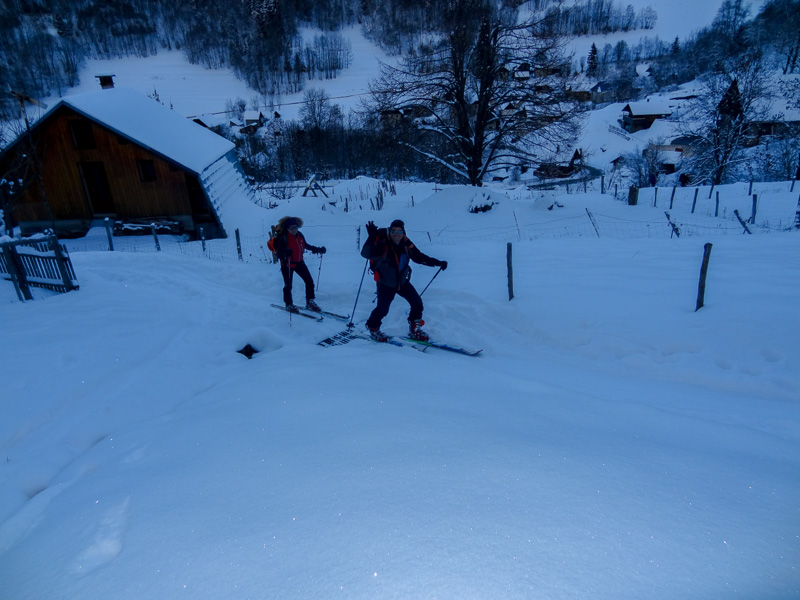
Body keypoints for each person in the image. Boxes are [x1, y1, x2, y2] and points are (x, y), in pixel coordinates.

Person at [360, 219, 447, 342]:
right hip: (386, 283)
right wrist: (371, 238)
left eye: (400, 231)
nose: (397, 234)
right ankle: (373, 328)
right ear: (390, 231)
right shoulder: (383, 245)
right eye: (394, 231)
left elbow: (418, 257)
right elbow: (366, 253)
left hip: (402, 282)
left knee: (417, 303)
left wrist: (437, 263)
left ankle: (414, 330)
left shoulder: (406, 245)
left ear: (403, 233)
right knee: (382, 309)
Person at [271, 216, 326, 312]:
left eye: (295, 227)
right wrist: (285, 253)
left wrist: (318, 249)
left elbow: (306, 245)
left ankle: (310, 302)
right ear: (287, 228)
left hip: (299, 263)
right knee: (288, 286)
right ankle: (288, 304)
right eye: (291, 228)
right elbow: (279, 253)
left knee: (309, 281)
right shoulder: (283, 238)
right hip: (287, 265)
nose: (293, 230)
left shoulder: (300, 235)